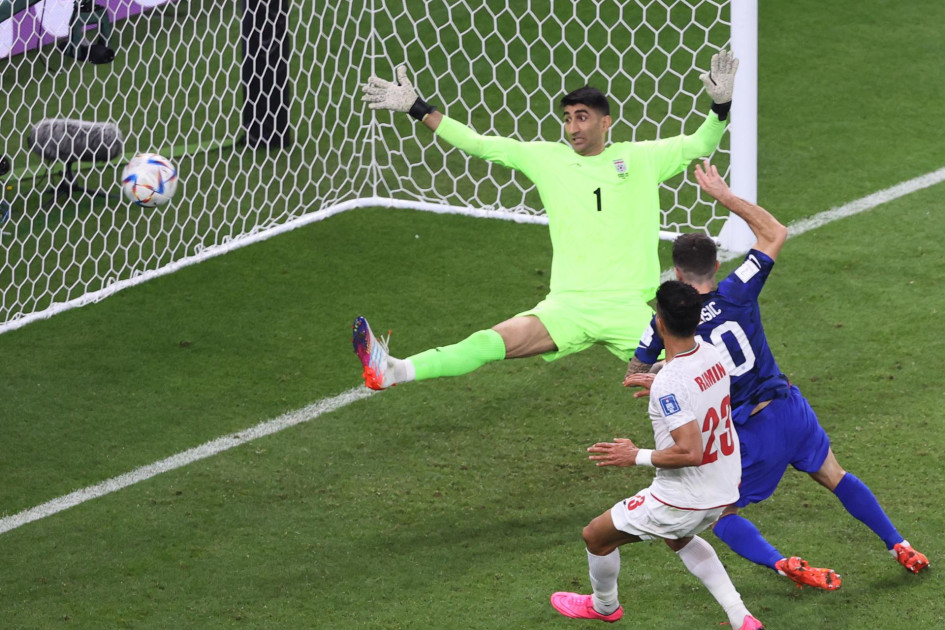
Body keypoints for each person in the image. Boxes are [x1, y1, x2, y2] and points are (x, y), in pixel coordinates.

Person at [352, 52, 740, 390]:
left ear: (605, 123)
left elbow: (700, 144)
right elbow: (479, 144)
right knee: (490, 341)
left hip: (627, 308)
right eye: (568, 118)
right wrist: (418, 108)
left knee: (705, 370)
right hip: (567, 306)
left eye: (582, 118)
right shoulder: (547, 158)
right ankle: (395, 370)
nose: (573, 128)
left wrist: (720, 106)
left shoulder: (642, 157)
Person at [625, 161, 930, 590]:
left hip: (747, 433)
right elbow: (774, 233)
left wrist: (659, 373)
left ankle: (782, 562)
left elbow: (634, 371)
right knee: (835, 476)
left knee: (722, 514)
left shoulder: (665, 321)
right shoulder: (738, 289)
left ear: (676, 273)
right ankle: (899, 544)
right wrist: (723, 196)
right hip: (788, 406)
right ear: (716, 263)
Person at [550, 281, 762, 629]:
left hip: (685, 496)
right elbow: (696, 389)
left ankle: (605, 607)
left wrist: (634, 455)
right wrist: (661, 380)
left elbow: (690, 450)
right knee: (678, 537)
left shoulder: (671, 382)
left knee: (595, 536)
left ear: (659, 323)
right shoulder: (710, 352)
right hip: (723, 485)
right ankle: (742, 618)